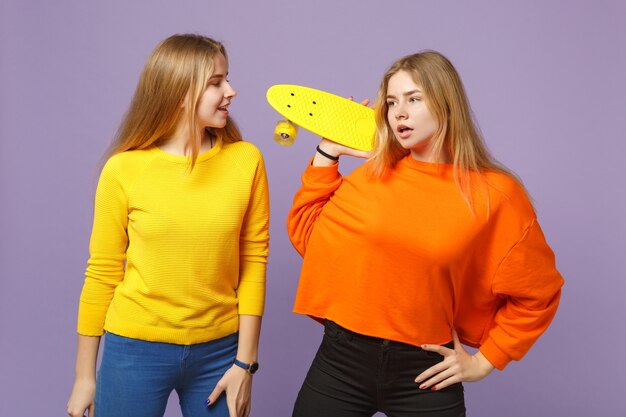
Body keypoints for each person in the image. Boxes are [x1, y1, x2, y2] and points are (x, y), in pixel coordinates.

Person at [287, 51, 563, 417]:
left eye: (414, 99)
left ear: (446, 104)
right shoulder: (373, 175)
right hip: (341, 361)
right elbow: (310, 235)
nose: (399, 112)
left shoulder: (495, 195)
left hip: (425, 372)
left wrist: (485, 361)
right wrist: (327, 151)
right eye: (391, 102)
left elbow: (538, 291)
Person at [66, 34, 269, 417]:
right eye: (216, 82)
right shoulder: (123, 169)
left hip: (220, 352)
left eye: (226, 78)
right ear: (178, 92)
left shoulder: (246, 161)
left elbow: (253, 262)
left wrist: (245, 364)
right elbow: (102, 272)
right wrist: (84, 378)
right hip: (134, 349)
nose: (231, 91)